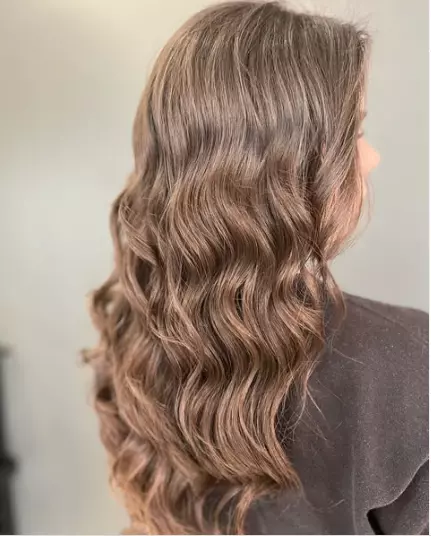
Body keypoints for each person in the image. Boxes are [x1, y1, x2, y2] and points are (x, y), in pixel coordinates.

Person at [84, 1, 428, 534]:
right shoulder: (408, 359)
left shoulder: (133, 323)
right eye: (354, 134)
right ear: (287, 166)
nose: (370, 158)